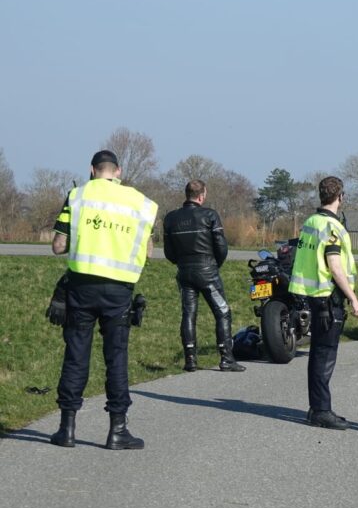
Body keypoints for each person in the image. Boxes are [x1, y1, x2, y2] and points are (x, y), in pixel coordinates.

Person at [49, 150, 159, 450]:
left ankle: (67, 428)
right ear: (118, 171)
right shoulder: (140, 203)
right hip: (119, 290)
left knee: (76, 355)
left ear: (92, 169)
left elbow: (58, 246)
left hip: (82, 286)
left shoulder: (77, 196)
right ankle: (117, 430)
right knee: (116, 357)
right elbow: (149, 251)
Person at [289, 176, 358, 429]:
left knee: (318, 354)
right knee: (325, 356)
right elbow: (335, 266)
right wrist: (353, 297)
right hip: (328, 298)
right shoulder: (332, 227)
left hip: (311, 296)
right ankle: (321, 410)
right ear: (340, 197)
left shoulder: (311, 222)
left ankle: (316, 407)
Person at [163, 179, 244, 372]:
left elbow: (168, 252)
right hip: (208, 271)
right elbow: (221, 246)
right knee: (222, 312)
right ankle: (226, 358)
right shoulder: (210, 215)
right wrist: (215, 265)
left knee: (189, 314)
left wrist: (181, 263)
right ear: (201, 196)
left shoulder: (170, 218)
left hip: (184, 272)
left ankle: (190, 360)